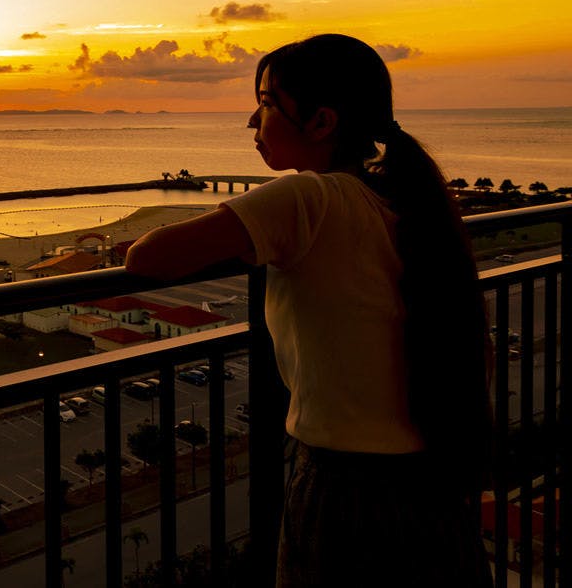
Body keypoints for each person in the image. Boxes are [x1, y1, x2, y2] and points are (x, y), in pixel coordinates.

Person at [125, 34, 491, 587]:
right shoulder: (404, 200)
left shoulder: (307, 199)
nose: (252, 120)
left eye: (266, 103)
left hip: (346, 492)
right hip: (432, 482)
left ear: (321, 122)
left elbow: (148, 257)